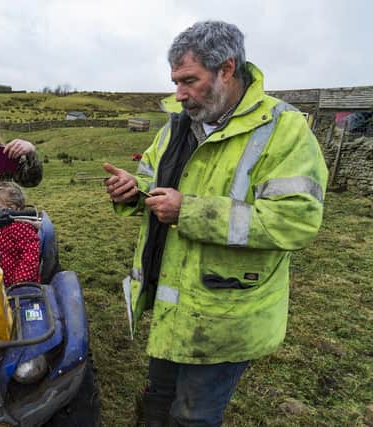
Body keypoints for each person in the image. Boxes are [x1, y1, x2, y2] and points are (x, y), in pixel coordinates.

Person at [103, 21, 328, 427]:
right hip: (173, 309)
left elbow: (295, 221)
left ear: (227, 68)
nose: (179, 94)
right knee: (157, 403)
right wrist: (132, 190)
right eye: (175, 81)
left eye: (189, 80)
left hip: (225, 318)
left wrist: (188, 211)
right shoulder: (178, 123)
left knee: (194, 417)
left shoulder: (284, 130)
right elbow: (154, 180)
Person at [0, 181, 40, 286]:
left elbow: (30, 257)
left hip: (18, 282)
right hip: (1, 276)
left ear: (14, 207)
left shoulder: (21, 227)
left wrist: (19, 281)